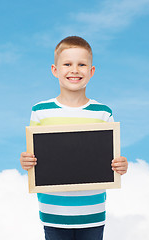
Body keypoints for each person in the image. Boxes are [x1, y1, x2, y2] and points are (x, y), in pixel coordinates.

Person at [20, 36, 128, 240]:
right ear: (55, 70)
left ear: (91, 71)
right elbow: (32, 155)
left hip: (92, 211)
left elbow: (112, 159)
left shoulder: (103, 113)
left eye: (82, 64)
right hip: (53, 211)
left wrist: (121, 165)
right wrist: (25, 161)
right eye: (67, 64)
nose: (75, 70)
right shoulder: (40, 111)